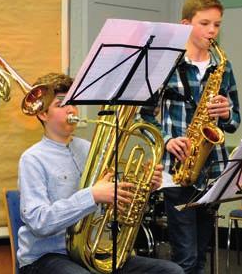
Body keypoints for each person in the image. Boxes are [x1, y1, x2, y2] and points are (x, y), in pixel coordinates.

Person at [17, 72, 184, 274]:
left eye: (73, 102)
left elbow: (113, 206)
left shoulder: (88, 149)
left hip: (91, 252)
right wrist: (92, 196)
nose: (71, 109)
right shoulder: (32, 159)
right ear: (43, 114)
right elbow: (39, 222)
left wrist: (143, 185)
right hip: (47, 256)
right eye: (61, 104)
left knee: (171, 271)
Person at [141, 0, 240, 274]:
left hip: (212, 170)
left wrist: (226, 112)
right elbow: (144, 116)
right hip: (178, 170)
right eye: (205, 23)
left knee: (200, 256)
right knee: (185, 257)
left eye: (217, 25)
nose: (212, 31)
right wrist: (168, 140)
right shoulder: (165, 63)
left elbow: (234, 121)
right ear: (185, 24)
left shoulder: (223, 65)